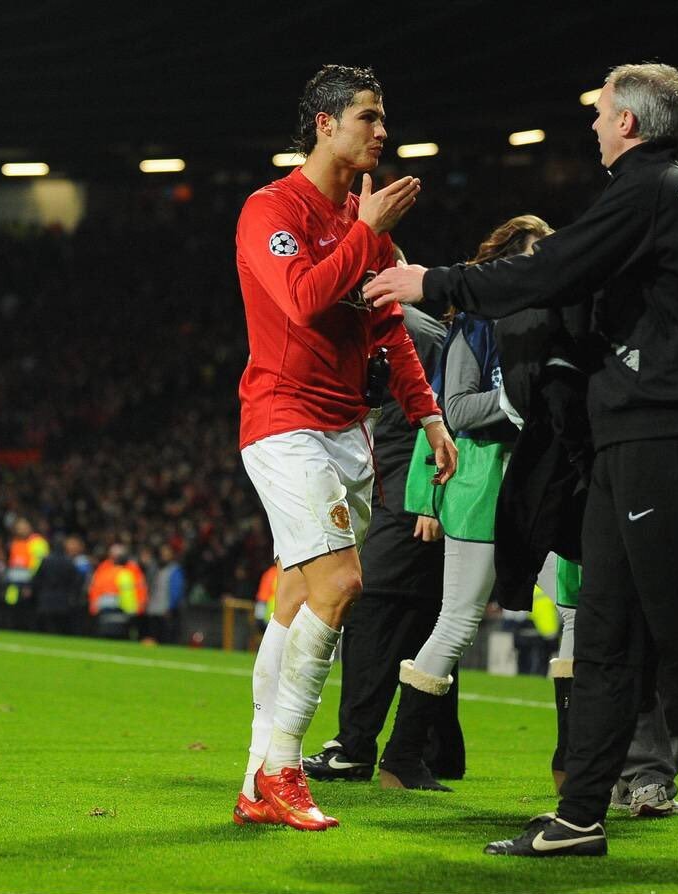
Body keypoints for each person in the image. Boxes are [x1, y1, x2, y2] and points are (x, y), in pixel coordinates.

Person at [369, 63, 678, 860]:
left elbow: (552, 269)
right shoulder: (670, 193)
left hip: (665, 440)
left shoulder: (651, 188)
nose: (594, 125)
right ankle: (580, 816)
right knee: (601, 635)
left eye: (600, 113)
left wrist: (436, 281)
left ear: (628, 122)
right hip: (631, 444)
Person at [231, 64, 456, 831]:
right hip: (283, 420)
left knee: (298, 599)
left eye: (383, 118)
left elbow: (390, 326)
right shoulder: (271, 210)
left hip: (347, 429)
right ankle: (284, 769)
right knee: (341, 582)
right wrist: (367, 232)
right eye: (368, 116)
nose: (382, 132)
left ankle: (254, 782)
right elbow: (300, 299)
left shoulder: (366, 224)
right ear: (324, 124)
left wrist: (429, 417)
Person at [377, 216, 548, 791]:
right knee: (457, 621)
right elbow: (454, 411)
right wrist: (519, 399)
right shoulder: (474, 325)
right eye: (532, 256)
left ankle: (575, 768)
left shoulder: (555, 320)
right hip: (481, 485)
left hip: (544, 483)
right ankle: (401, 757)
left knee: (580, 612)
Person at [303, 299, 464, 786]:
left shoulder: (412, 331)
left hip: (412, 489)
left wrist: (430, 496)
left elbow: (445, 412)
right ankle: (436, 750)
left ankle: (355, 747)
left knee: (376, 601)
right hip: (395, 484)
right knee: (423, 613)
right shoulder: (392, 328)